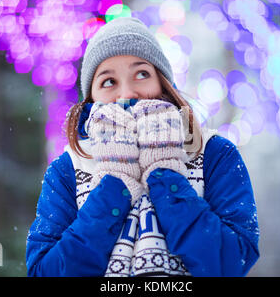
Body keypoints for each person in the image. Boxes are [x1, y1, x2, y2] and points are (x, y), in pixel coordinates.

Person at [26, 17, 259, 277]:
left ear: (163, 83)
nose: (127, 93)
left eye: (141, 74)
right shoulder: (67, 169)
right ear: (91, 98)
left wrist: (165, 175)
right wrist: (115, 185)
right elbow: (44, 273)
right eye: (108, 81)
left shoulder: (214, 153)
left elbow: (232, 263)